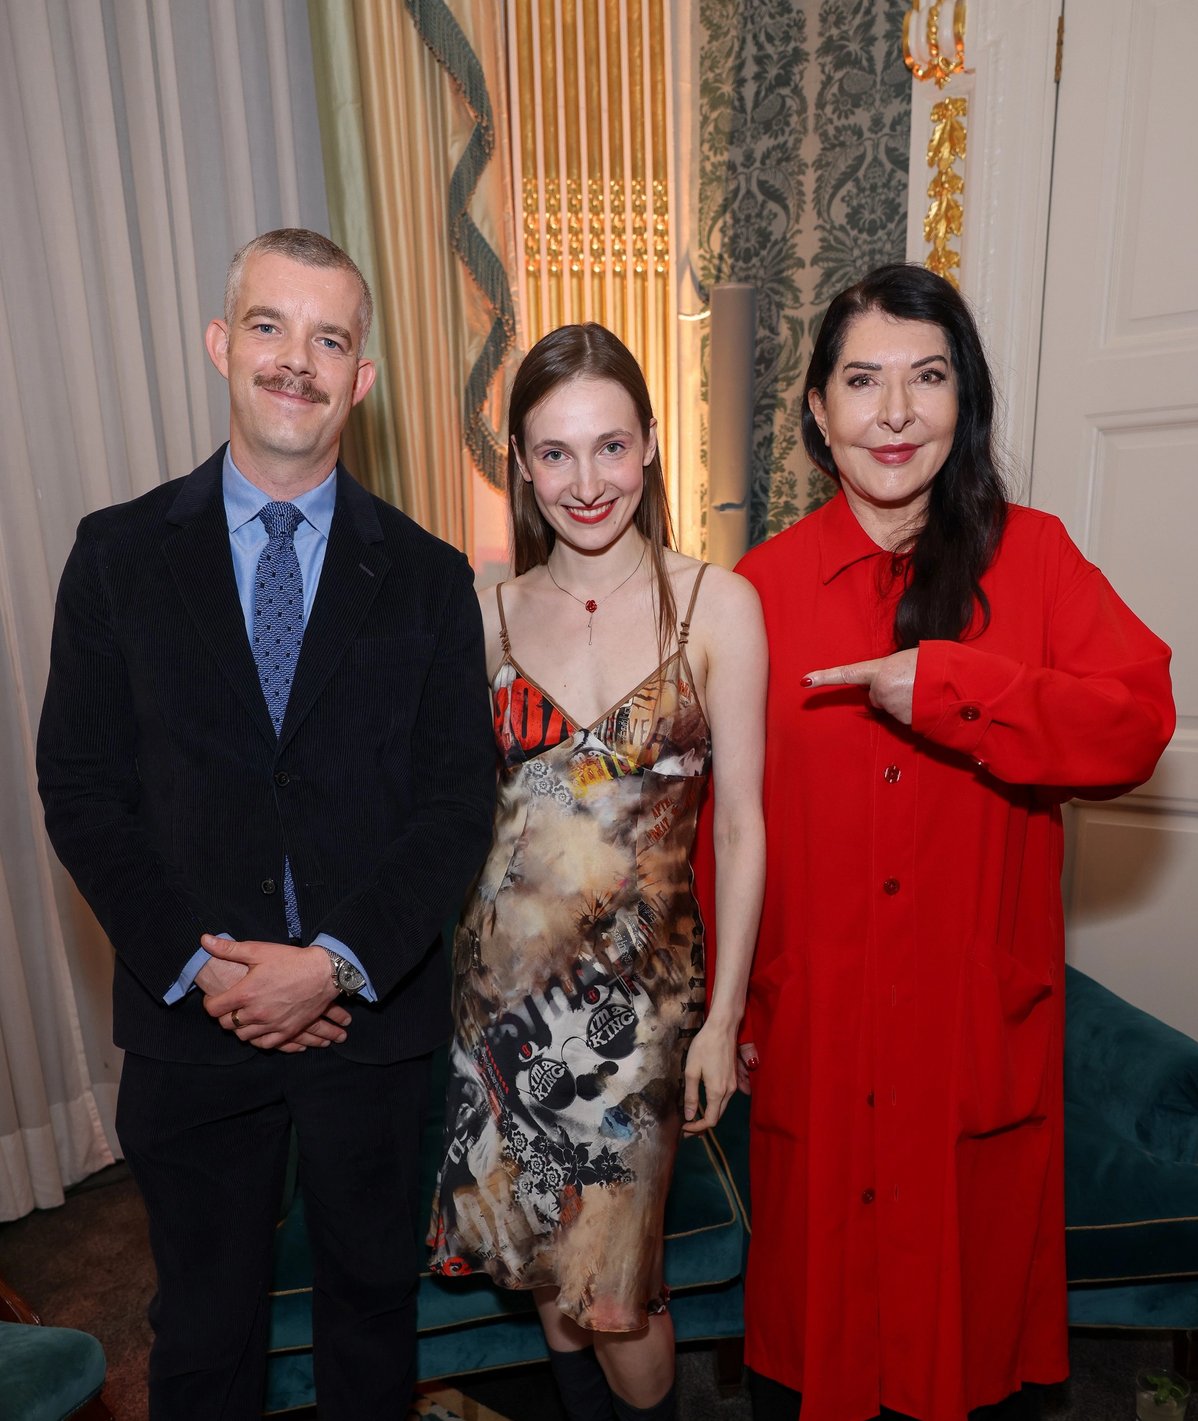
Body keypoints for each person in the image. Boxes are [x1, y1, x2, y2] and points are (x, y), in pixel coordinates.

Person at [36, 228, 496, 1420]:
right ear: (220, 343)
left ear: (363, 379)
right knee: (200, 1335)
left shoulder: (434, 580)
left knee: (367, 1324)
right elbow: (81, 786)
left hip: (373, 1028)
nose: (298, 360)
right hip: (193, 1027)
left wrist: (331, 962)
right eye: (270, 326)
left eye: (329, 338)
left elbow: (456, 803)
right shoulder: (116, 555)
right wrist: (210, 965)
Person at [731, 263, 1175, 1421]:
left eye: (927, 378)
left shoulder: (1038, 559)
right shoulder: (756, 592)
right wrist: (729, 1003)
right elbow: (715, 824)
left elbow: (1137, 720)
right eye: (862, 380)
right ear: (819, 412)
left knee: (971, 1368)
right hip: (817, 1046)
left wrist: (956, 689)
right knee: (819, 1365)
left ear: (963, 402)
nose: (894, 413)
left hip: (970, 1041)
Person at [427, 323, 767, 1420]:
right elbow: (442, 808)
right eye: (557, 452)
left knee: (620, 1298)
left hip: (639, 1021)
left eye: (611, 447)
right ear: (521, 462)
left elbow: (744, 828)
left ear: (652, 446)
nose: (587, 481)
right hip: (505, 1004)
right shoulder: (484, 613)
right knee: (550, 1276)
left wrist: (720, 1021)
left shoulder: (718, 606)